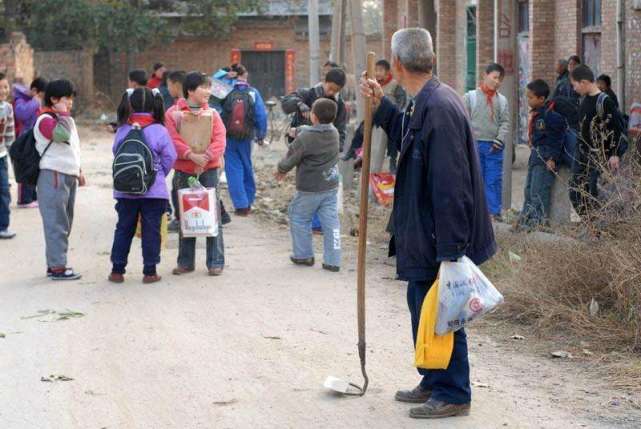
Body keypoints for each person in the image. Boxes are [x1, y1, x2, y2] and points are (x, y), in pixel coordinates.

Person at [361, 28, 495, 419]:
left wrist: (451, 251)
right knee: (422, 306)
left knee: (443, 312)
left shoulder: (439, 107)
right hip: (424, 230)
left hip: (441, 234)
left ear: (398, 64)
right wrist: (383, 106)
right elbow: (408, 137)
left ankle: (454, 391)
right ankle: (433, 378)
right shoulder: (426, 100)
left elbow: (451, 185)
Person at [109, 88, 177, 284]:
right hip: (153, 192)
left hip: (125, 190)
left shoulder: (123, 129)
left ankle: (117, 270)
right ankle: (149, 272)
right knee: (151, 230)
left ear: (130, 105)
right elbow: (170, 157)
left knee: (123, 228)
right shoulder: (160, 130)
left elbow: (116, 152)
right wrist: (157, 174)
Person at [165, 72, 226, 276]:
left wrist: (206, 157)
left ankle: (215, 262)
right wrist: (191, 155)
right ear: (190, 90)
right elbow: (172, 139)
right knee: (186, 215)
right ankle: (185, 262)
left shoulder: (214, 114)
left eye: (209, 87)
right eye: (204, 87)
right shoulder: (173, 114)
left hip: (208, 170)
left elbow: (220, 139)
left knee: (212, 215)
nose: (208, 91)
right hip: (184, 170)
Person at [276, 98, 341, 272]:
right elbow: (313, 132)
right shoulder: (334, 132)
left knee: (299, 217)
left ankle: (304, 255)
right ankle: (333, 261)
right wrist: (298, 130)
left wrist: (281, 169)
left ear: (314, 116)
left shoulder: (306, 138)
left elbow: (292, 156)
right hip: (330, 186)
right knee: (331, 222)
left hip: (309, 188)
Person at [282, 67, 348, 233]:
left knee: (323, 187)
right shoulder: (308, 93)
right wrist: (300, 104)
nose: (332, 92)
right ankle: (306, 220)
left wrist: (337, 149)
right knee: (307, 184)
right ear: (324, 81)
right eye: (330, 87)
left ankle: (316, 224)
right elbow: (286, 102)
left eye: (336, 90)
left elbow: (341, 130)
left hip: (324, 152)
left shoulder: (339, 104)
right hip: (303, 148)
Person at [35, 80, 86, 280]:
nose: (71, 102)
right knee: (56, 223)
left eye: (72, 98)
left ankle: (56, 263)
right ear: (54, 99)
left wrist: (78, 170)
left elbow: (73, 147)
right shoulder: (45, 120)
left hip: (67, 174)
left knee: (65, 221)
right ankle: (57, 267)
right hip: (53, 175)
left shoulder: (66, 119)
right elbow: (61, 135)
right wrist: (63, 113)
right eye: (67, 98)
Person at [569, 64, 626, 221]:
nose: (574, 89)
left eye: (574, 85)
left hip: (598, 157)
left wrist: (614, 154)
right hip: (582, 154)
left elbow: (616, 128)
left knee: (593, 193)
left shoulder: (605, 101)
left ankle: (597, 228)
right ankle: (590, 224)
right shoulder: (584, 100)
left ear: (584, 82)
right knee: (575, 191)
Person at [463, 63, 511, 221]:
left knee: (493, 179)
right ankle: (475, 212)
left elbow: (505, 122)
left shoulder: (502, 101)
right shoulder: (470, 97)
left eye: (500, 79)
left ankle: (494, 212)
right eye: (495, 77)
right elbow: (463, 120)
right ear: (485, 75)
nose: (497, 81)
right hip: (474, 145)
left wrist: (499, 139)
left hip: (494, 147)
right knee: (474, 179)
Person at [516, 79, 566, 230]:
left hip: (545, 158)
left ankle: (538, 222)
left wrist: (552, 158)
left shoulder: (551, 116)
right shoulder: (538, 114)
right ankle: (526, 219)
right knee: (529, 189)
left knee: (539, 190)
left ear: (541, 99)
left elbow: (558, 138)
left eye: (530, 97)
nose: (528, 100)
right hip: (536, 156)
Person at [221, 64, 267, 215]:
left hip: (228, 136)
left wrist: (223, 74)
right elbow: (261, 115)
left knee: (233, 169)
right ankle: (248, 201)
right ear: (245, 76)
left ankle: (241, 205)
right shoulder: (253, 92)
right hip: (247, 137)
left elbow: (211, 83)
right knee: (246, 166)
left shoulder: (225, 90)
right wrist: (261, 135)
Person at [12, 77, 47, 208]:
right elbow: (21, 114)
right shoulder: (20, 99)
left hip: (33, 139)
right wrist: (35, 102)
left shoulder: (33, 101)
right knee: (25, 168)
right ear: (34, 90)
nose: (41, 99)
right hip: (22, 140)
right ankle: (23, 199)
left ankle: (32, 196)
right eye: (40, 95)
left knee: (33, 168)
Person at [373, 59, 407, 173]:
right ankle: (376, 165)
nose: (377, 73)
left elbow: (402, 99)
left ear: (387, 72)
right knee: (378, 144)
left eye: (380, 70)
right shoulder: (375, 85)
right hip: (379, 119)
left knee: (391, 140)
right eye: (376, 70)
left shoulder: (394, 84)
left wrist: (396, 111)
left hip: (391, 117)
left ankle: (393, 162)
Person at [0, 73, 16, 239]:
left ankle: (3, 226)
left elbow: (10, 135)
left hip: (1, 157)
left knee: (4, 191)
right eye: (0, 87)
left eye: (5, 86)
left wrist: (14, 157)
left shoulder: (8, 108)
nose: (3, 90)